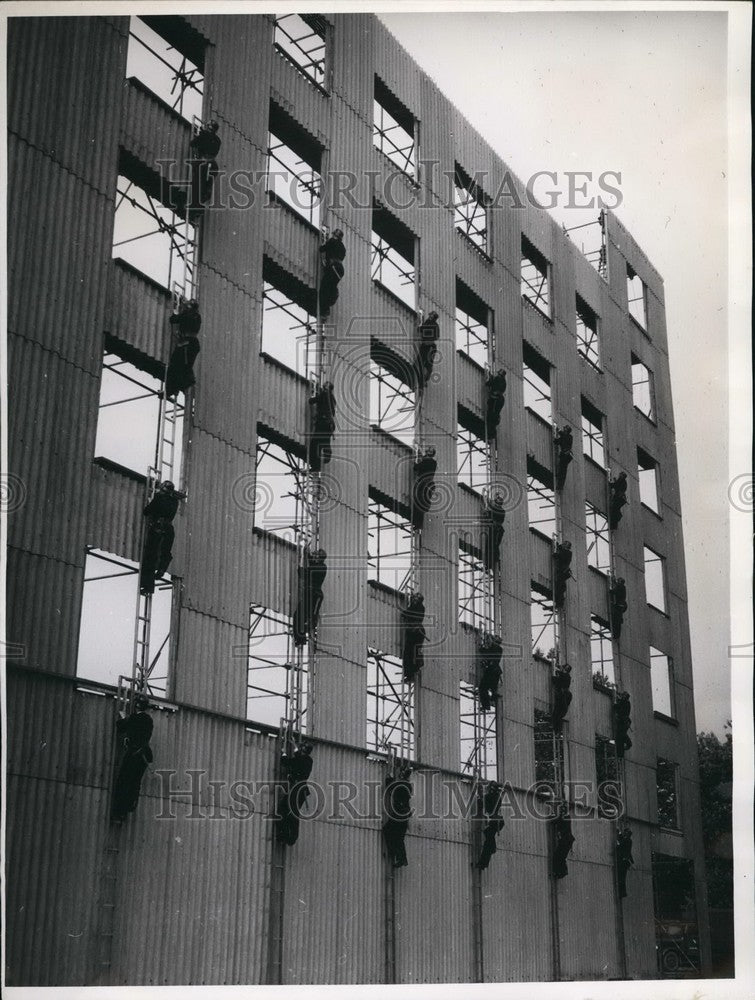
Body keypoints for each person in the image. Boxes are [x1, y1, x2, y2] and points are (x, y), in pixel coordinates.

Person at [112, 695, 154, 822]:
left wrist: (124, 716)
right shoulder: (148, 720)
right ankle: (129, 807)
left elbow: (120, 727)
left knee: (124, 782)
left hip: (134, 755)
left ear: (136, 706)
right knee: (134, 783)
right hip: (143, 756)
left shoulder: (134, 718)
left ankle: (119, 813)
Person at [140, 481, 180, 595]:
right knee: (165, 552)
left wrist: (151, 500)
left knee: (150, 557)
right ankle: (162, 569)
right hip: (169, 530)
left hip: (158, 528)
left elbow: (146, 511)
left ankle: (147, 587)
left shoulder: (159, 498)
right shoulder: (175, 502)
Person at [277, 742, 314, 846]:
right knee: (292, 812)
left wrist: (283, 753)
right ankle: (288, 837)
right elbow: (298, 759)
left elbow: (286, 762)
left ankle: (285, 836)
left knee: (284, 810)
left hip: (296, 789)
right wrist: (295, 747)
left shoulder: (301, 760)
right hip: (301, 790)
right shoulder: (308, 761)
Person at [166, 300, 201, 399]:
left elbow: (173, 319)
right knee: (185, 367)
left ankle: (174, 390)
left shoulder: (187, 315)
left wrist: (176, 312)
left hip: (186, 344)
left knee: (175, 365)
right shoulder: (197, 316)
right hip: (193, 344)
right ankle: (182, 388)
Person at [293, 549, 328, 647]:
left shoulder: (321, 568)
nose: (314, 557)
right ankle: (300, 638)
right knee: (298, 615)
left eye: (316, 555)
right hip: (309, 594)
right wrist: (307, 554)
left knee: (310, 618)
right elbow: (311, 563)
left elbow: (304, 573)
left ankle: (302, 635)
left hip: (314, 595)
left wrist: (301, 568)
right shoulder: (319, 566)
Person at [382, 764, 412, 868]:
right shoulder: (407, 784)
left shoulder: (402, 784)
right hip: (404, 814)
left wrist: (389, 778)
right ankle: (400, 857)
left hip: (400, 814)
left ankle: (396, 855)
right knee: (398, 836)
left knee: (389, 830)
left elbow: (389, 786)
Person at [190, 121, 221, 207]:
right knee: (208, 182)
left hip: (203, 163)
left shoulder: (204, 135)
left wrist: (202, 134)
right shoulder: (218, 140)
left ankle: (197, 200)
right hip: (213, 165)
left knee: (198, 182)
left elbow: (192, 144)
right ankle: (206, 193)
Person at [308, 382, 336, 471]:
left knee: (314, 445)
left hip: (322, 423)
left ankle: (316, 466)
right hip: (329, 425)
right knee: (323, 441)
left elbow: (313, 401)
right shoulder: (332, 398)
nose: (324, 385)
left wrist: (311, 399)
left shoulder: (325, 394)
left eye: (326, 385)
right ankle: (327, 454)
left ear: (328, 388)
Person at [476, 782, 505, 869]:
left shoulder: (491, 796)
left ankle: (483, 862)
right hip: (499, 821)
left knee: (487, 842)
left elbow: (481, 803)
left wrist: (479, 796)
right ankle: (492, 849)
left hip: (494, 821)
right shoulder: (497, 796)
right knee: (488, 836)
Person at [319, 229, 346, 317]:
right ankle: (328, 306)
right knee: (331, 286)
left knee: (324, 287)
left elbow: (321, 249)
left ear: (335, 236)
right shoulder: (343, 247)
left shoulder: (332, 241)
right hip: (340, 270)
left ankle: (324, 310)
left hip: (333, 268)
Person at [401, 592, 426, 682]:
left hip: (415, 632)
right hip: (416, 632)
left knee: (410, 652)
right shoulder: (419, 607)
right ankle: (412, 671)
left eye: (416, 599)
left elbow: (409, 613)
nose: (414, 600)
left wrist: (405, 613)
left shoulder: (418, 608)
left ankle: (412, 671)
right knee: (411, 652)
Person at [477, 633, 503, 711]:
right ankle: (493, 696)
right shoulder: (498, 649)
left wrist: (482, 649)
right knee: (491, 687)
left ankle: (486, 705)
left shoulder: (496, 648)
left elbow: (488, 654)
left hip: (491, 671)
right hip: (495, 672)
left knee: (482, 688)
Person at [412, 447, 437, 526]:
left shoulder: (428, 462)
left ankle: (417, 524)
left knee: (418, 503)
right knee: (421, 504)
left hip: (423, 484)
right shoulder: (433, 463)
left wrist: (419, 458)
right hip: (428, 484)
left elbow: (416, 468)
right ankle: (418, 524)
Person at [416, 311, 440, 387]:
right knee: (425, 364)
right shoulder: (431, 323)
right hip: (427, 345)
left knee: (426, 364)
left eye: (431, 315)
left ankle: (424, 380)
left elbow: (420, 329)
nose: (429, 316)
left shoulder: (432, 324)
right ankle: (423, 380)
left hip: (428, 346)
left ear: (433, 317)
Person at [482, 490, 506, 564]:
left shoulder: (501, 510)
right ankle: (492, 560)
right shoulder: (499, 509)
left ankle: (492, 560)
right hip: (496, 529)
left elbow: (491, 511)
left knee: (493, 544)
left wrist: (486, 501)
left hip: (496, 529)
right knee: (492, 544)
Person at [552, 805, 575, 879]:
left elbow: (554, 822)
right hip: (567, 840)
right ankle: (561, 872)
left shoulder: (564, 817)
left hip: (565, 840)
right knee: (561, 856)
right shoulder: (567, 817)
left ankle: (560, 873)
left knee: (558, 856)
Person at [485, 368, 507, 438]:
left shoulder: (498, 378)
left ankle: (491, 433)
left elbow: (489, 384)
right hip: (500, 399)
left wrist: (489, 379)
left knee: (491, 414)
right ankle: (492, 432)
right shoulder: (504, 381)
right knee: (495, 414)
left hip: (495, 399)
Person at [550, 663, 572, 732]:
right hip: (564, 696)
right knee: (558, 713)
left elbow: (559, 677)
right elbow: (556, 679)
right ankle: (556, 729)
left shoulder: (566, 676)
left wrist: (557, 670)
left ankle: (556, 729)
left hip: (563, 696)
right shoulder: (564, 676)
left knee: (558, 713)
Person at [553, 540, 573, 608]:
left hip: (563, 572)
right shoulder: (565, 552)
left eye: (564, 544)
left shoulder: (568, 553)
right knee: (561, 586)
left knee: (559, 587)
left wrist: (557, 553)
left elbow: (561, 556)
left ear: (567, 546)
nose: (563, 544)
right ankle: (559, 602)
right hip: (563, 572)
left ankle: (560, 603)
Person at [616, 826, 634, 898]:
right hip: (625, 861)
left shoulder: (627, 840)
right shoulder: (628, 840)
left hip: (623, 861)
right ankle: (622, 893)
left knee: (621, 877)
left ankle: (622, 893)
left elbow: (620, 845)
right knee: (622, 877)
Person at [613, 691, 633, 758]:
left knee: (620, 736)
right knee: (620, 737)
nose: (622, 697)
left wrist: (616, 702)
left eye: (623, 696)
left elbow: (616, 706)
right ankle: (621, 754)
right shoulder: (627, 703)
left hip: (623, 722)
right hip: (625, 722)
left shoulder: (625, 702)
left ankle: (628, 744)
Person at [555, 425, 573, 490]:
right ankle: (560, 486)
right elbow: (557, 441)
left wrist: (559, 431)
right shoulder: (563, 438)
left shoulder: (569, 437)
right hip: (565, 455)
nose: (564, 430)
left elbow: (564, 437)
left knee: (562, 471)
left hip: (566, 455)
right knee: (562, 470)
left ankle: (560, 486)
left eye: (565, 429)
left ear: (566, 430)